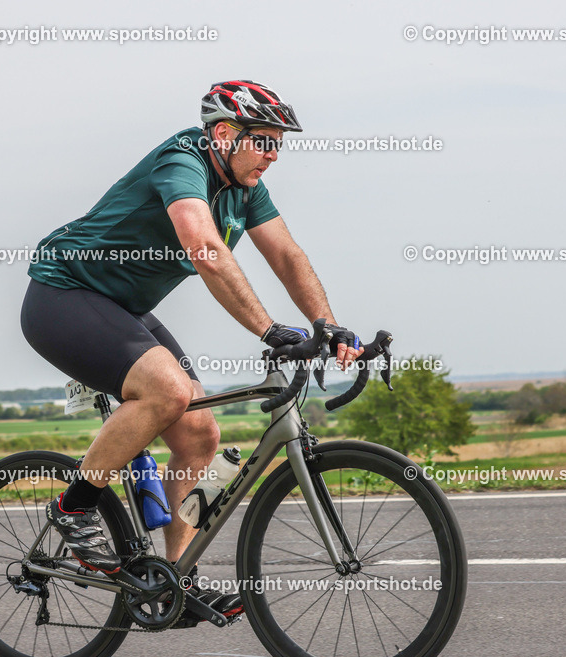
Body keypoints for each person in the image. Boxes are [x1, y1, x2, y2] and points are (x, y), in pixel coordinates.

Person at [21, 79, 363, 623]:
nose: (273, 154)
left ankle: (172, 583)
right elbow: (203, 246)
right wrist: (270, 329)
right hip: (64, 296)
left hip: (122, 309)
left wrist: (328, 324)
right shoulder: (185, 162)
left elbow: (287, 253)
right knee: (169, 391)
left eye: (280, 143)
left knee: (201, 433)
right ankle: (73, 509)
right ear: (224, 134)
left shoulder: (245, 188)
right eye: (264, 141)